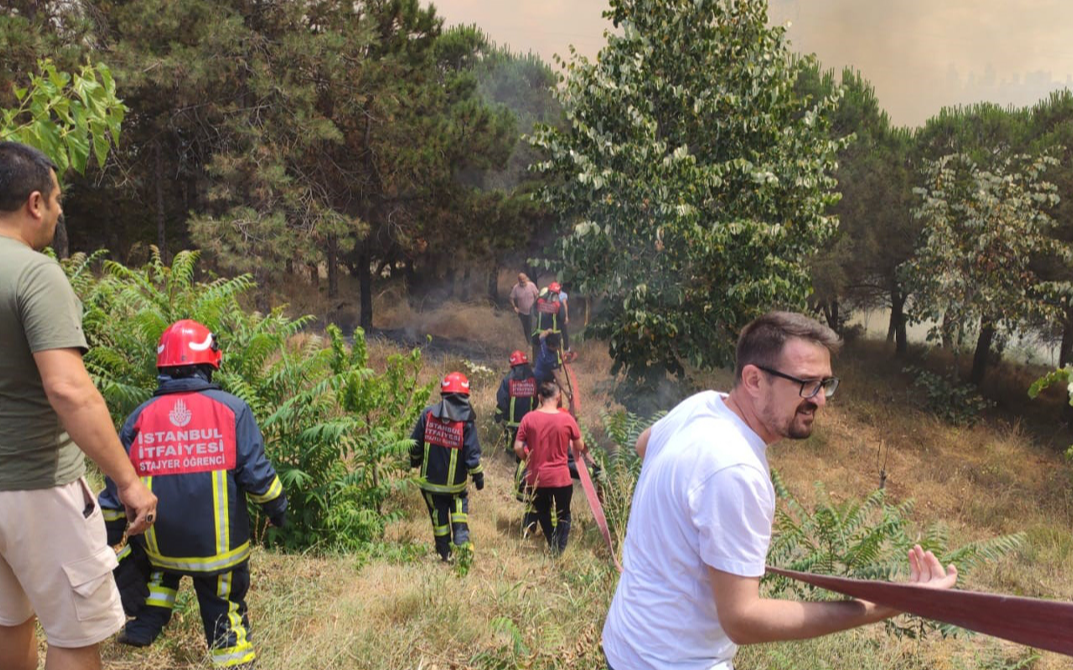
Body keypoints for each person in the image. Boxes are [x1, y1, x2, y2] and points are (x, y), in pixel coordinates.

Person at [601, 311, 958, 670]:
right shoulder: (736, 469)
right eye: (806, 384)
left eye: (826, 384)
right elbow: (743, 620)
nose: (820, 400)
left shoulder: (703, 404)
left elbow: (646, 444)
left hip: (625, 643)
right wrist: (886, 605)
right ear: (754, 380)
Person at [0, 141, 158, 670]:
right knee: (73, 633)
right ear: (35, 203)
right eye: (59, 199)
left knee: (8, 621)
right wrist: (128, 482)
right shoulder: (35, 273)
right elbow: (68, 389)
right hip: (36, 484)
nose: (62, 211)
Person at [98, 319, 287, 669]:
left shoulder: (140, 417)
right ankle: (234, 660)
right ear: (209, 363)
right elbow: (256, 475)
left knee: (151, 565)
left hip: (160, 547)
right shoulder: (232, 410)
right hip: (217, 553)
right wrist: (277, 507)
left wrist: (110, 535)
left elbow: (116, 486)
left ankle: (146, 624)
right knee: (223, 606)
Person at [410, 372, 484, 561]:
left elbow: (414, 446)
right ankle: (461, 543)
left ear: (443, 394)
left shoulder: (427, 414)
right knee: (459, 510)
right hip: (456, 487)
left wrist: (414, 461)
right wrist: (478, 476)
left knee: (439, 519)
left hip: (430, 486)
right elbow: (472, 454)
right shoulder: (465, 421)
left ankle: (445, 555)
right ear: (465, 396)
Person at [514, 381, 585, 554]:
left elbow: (517, 447)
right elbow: (580, 446)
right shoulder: (567, 419)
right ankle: (559, 549)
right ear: (558, 397)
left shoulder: (528, 418)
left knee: (543, 512)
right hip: (561, 478)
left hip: (537, 477)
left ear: (539, 398)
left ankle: (553, 542)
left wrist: (528, 460)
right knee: (564, 515)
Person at [509, 273, 540, 341]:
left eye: (524, 279)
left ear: (526, 278)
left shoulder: (531, 285)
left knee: (533, 328)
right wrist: (514, 307)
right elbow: (511, 298)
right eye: (521, 280)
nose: (523, 281)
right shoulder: (516, 288)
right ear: (518, 280)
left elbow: (537, 295)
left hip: (532, 311)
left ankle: (535, 343)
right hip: (522, 313)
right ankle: (529, 343)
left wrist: (535, 305)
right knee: (526, 329)